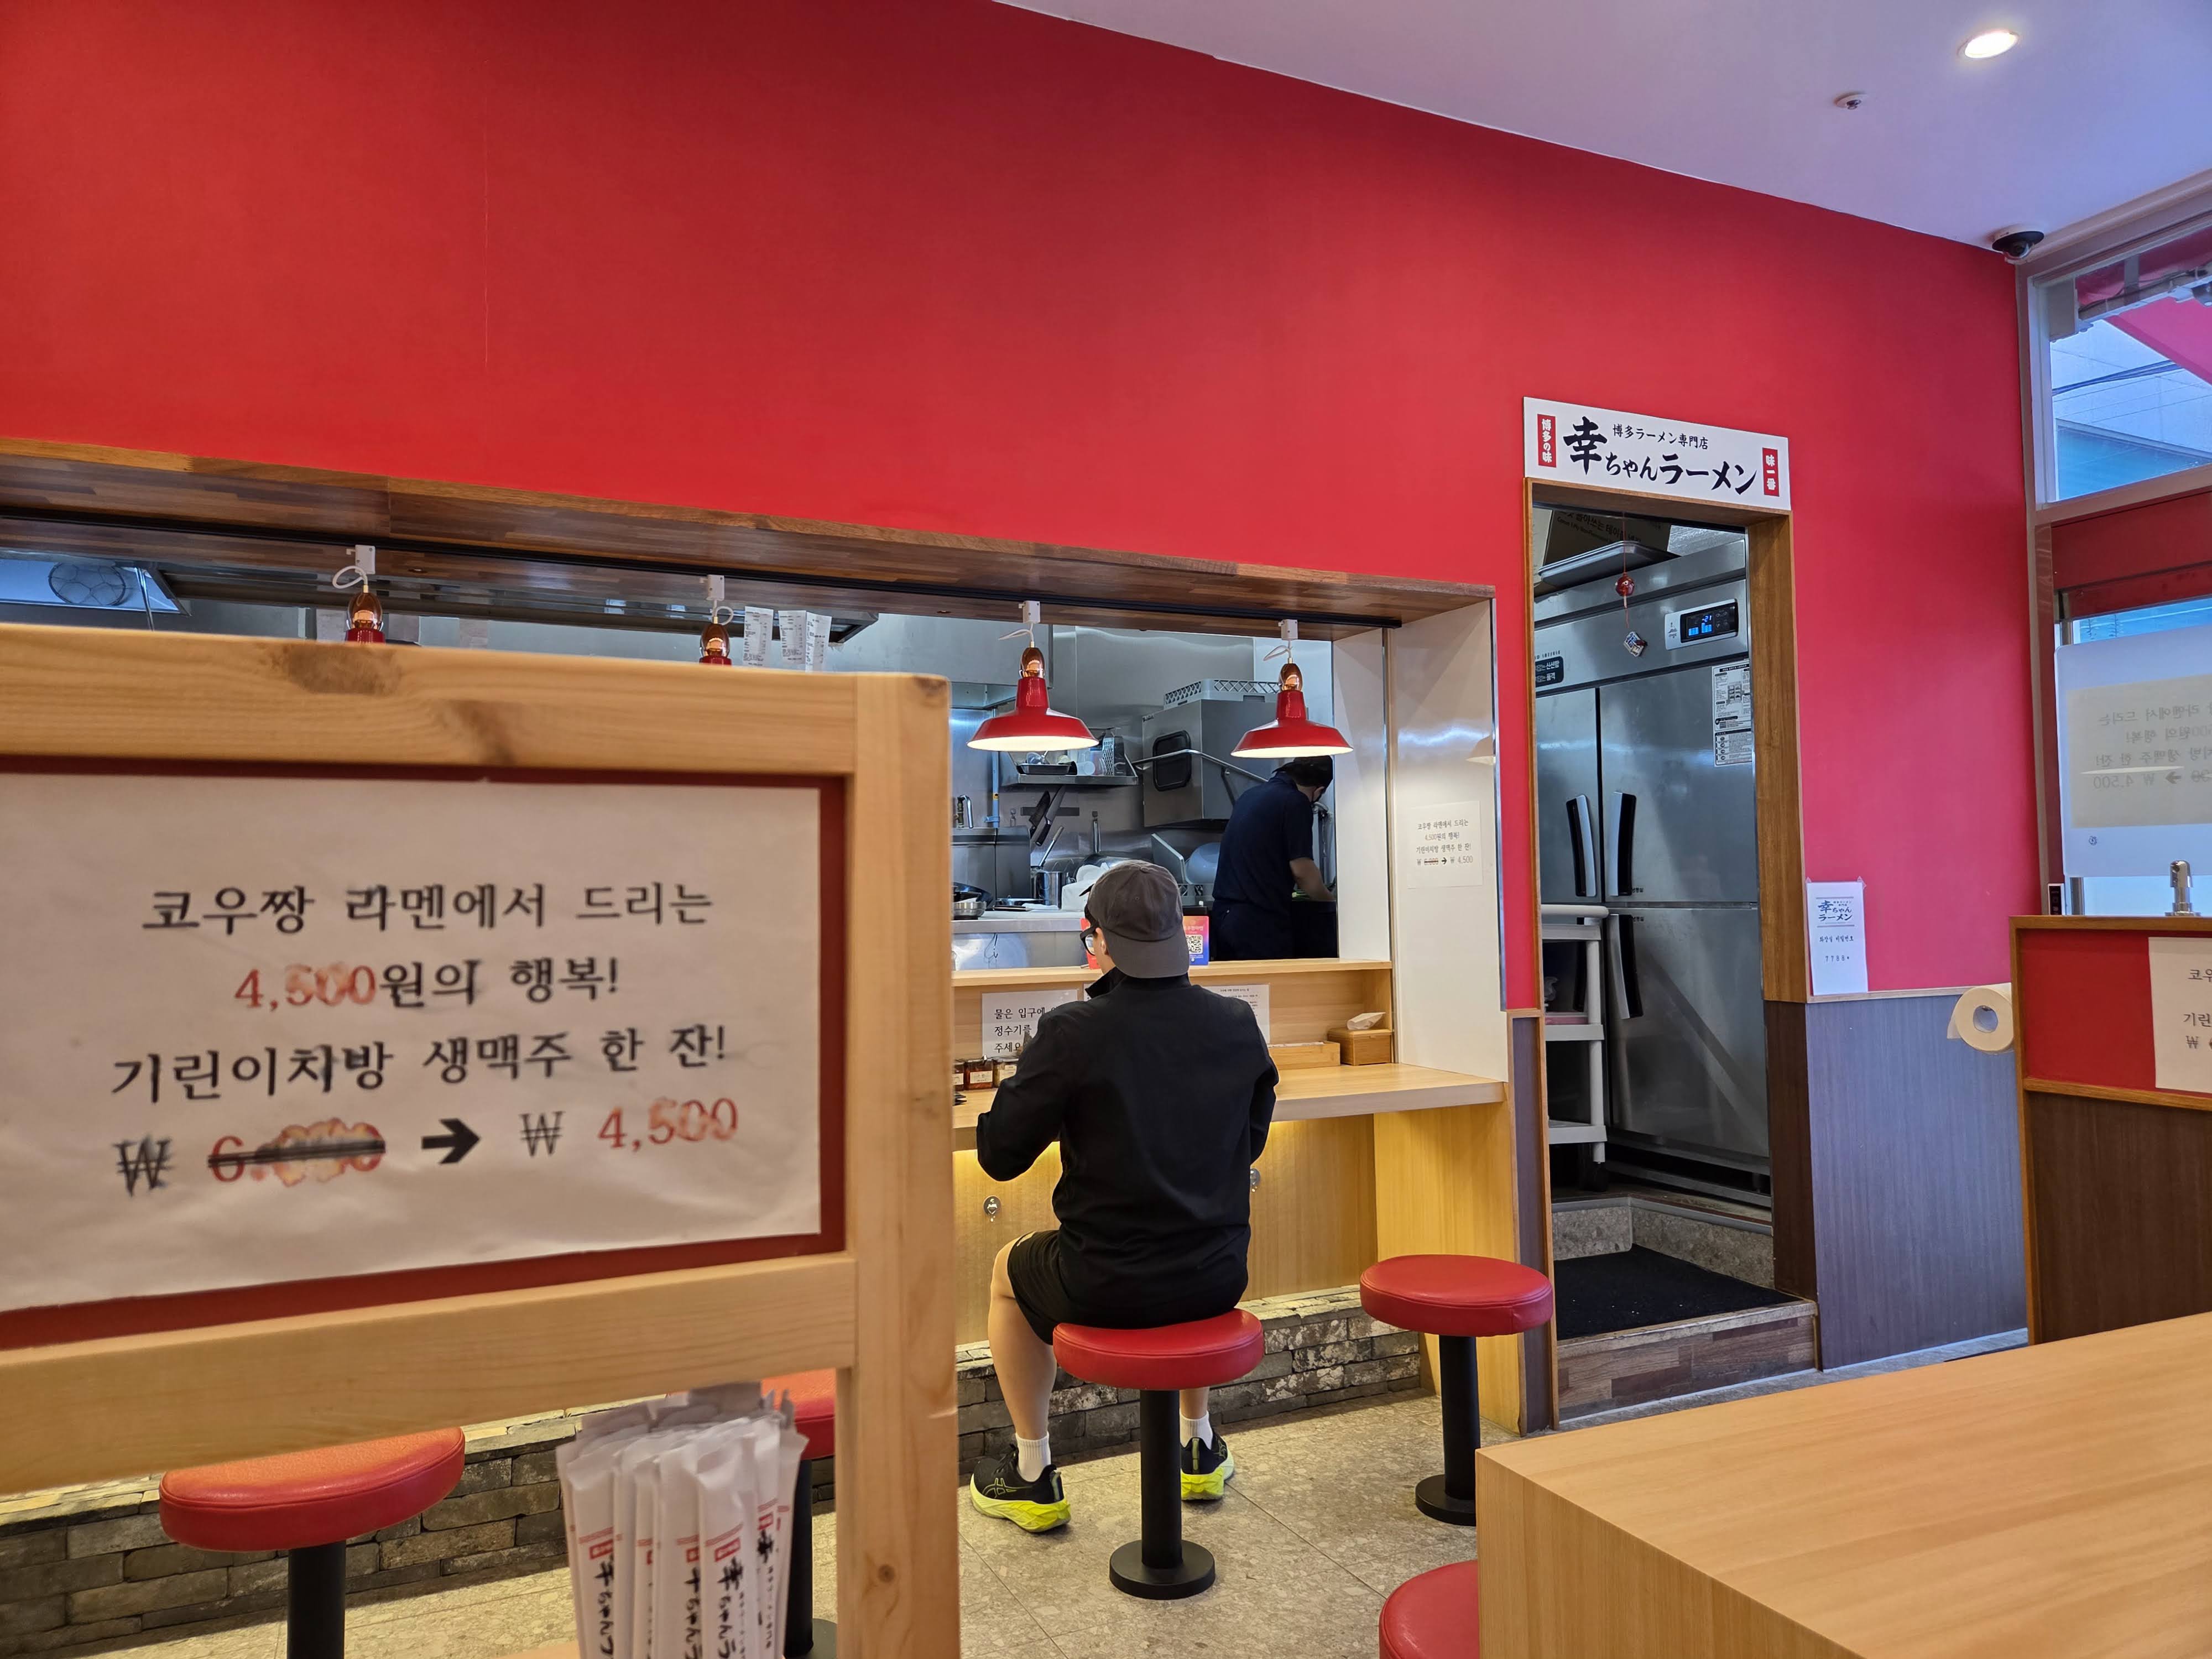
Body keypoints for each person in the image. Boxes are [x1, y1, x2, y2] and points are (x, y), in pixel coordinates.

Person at [967, 862, 1279, 1533]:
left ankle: (1031, 1472)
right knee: (1186, 1256)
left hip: (1105, 1283)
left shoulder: (1073, 1031)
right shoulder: (1235, 1021)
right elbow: (1248, 1144)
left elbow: (998, 1156)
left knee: (1006, 1276)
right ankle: (1197, 1445)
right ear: (1177, 933)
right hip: (1218, 1274)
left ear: (1099, 940)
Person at [1210, 754, 1334, 961]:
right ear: (1318, 791)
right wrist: (1330, 901)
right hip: (1259, 922)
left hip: (1225, 917)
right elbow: (1302, 870)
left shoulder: (1250, 795)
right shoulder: (1296, 802)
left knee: (1236, 981)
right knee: (1271, 981)